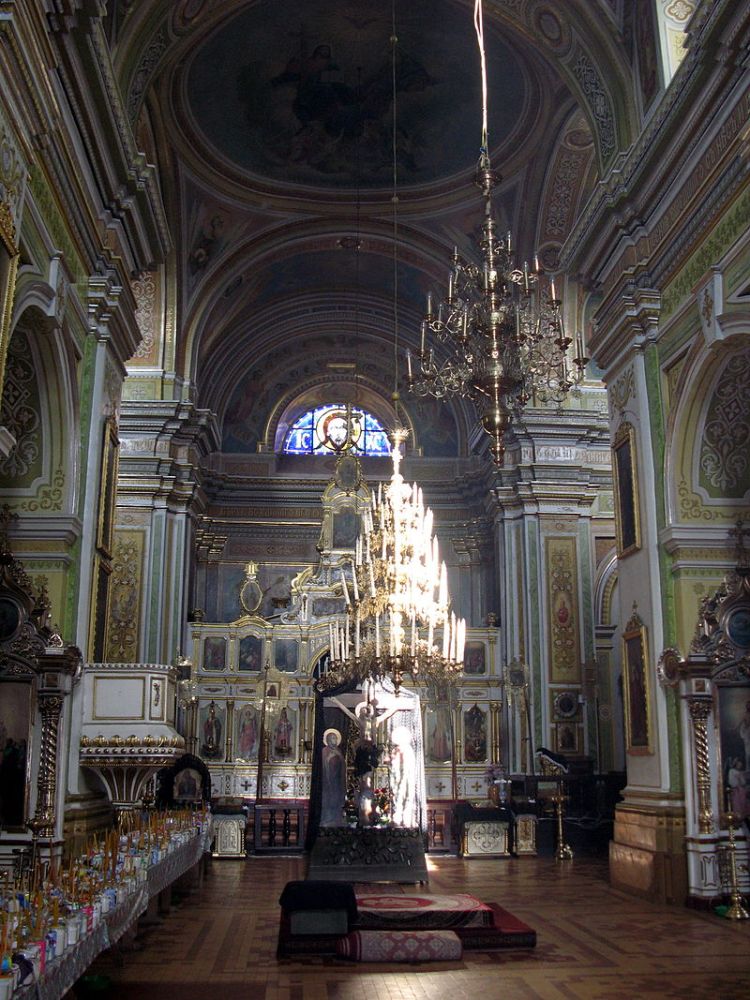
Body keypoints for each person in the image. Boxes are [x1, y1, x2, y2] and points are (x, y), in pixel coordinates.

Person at [320, 728, 346, 826]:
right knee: (327, 799)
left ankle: (336, 818)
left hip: (337, 781)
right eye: (333, 738)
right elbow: (323, 764)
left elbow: (343, 765)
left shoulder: (338, 751)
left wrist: (339, 757)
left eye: (335, 738)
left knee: (336, 799)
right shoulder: (324, 751)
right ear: (328, 740)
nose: (335, 740)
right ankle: (327, 818)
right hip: (327, 780)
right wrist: (329, 758)